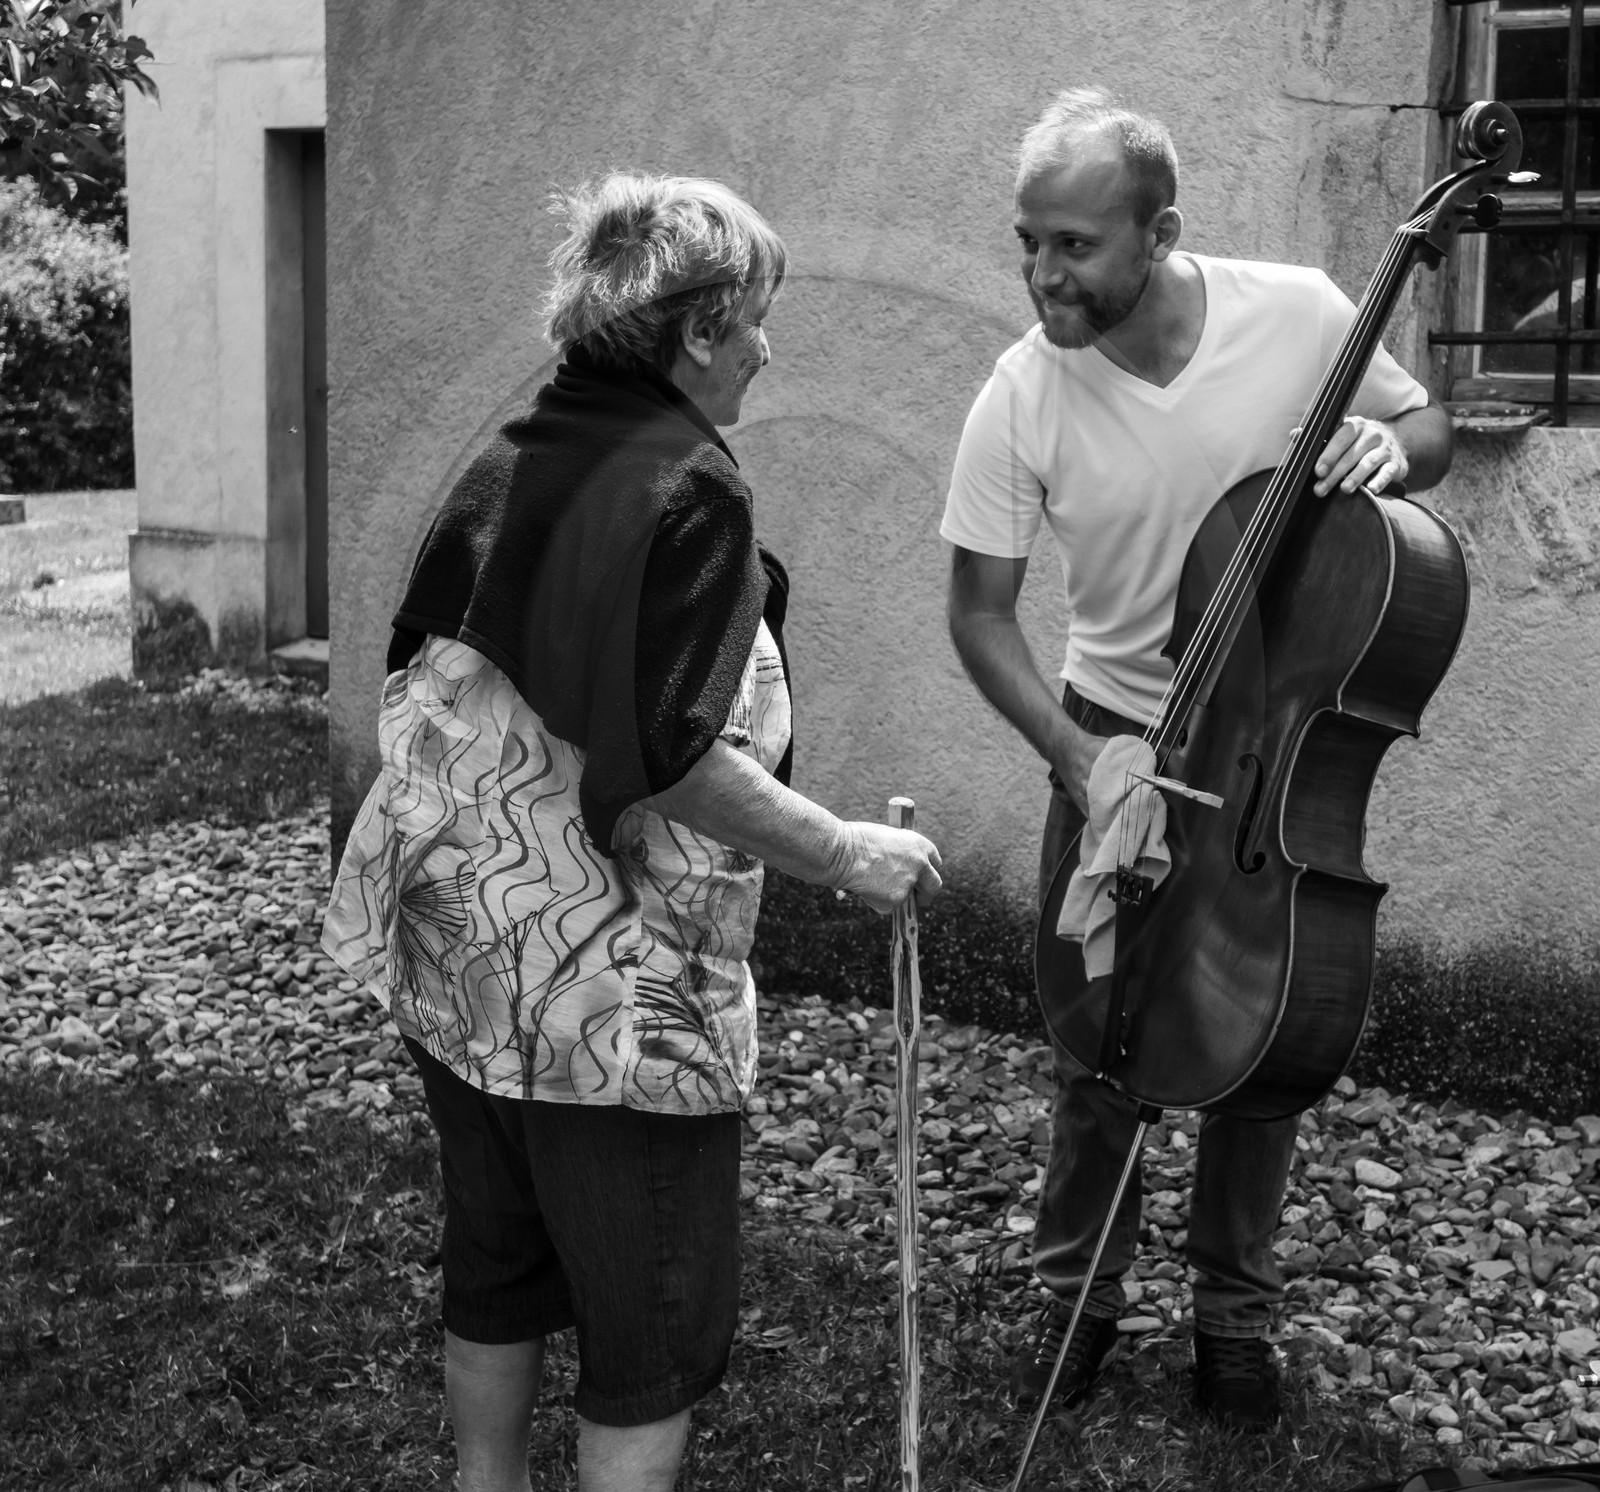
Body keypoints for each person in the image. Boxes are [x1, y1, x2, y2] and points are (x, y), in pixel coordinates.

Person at [322, 172, 942, 1492]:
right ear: (700, 329)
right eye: (757, 319)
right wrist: (848, 855)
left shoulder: (521, 447)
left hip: (458, 951)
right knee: (652, 1327)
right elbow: (672, 754)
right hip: (603, 999)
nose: (767, 348)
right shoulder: (688, 490)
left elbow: (420, 668)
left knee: (497, 1264)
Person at [941, 88, 1452, 1430]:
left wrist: (1390, 448)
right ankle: (1077, 1298)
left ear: (1160, 233)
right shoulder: (1022, 392)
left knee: (1261, 1029)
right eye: (1030, 242)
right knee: (1099, 1034)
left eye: (1075, 246)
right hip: (1111, 733)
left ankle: (1235, 1319)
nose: (1044, 274)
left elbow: (1430, 432)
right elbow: (979, 615)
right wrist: (1074, 757)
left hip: (1269, 742)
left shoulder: (1299, 314)